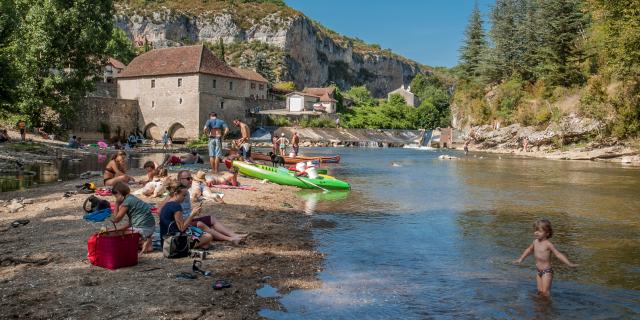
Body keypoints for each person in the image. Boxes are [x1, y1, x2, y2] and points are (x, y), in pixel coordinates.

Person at [158, 170, 246, 245]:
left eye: (191, 178)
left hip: (186, 221)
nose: (190, 181)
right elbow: (161, 211)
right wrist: (169, 220)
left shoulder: (185, 192)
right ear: (179, 180)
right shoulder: (173, 197)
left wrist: (193, 212)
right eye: (188, 179)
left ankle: (233, 235)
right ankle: (230, 239)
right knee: (202, 227)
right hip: (183, 224)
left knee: (211, 219)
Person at [513, 219, 578, 297]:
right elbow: (529, 250)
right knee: (540, 292)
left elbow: (558, 254)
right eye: (535, 230)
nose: (536, 232)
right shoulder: (535, 242)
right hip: (538, 271)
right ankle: (540, 307)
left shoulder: (548, 244)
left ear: (547, 233)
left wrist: (569, 263)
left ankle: (547, 307)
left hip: (547, 271)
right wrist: (521, 259)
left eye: (539, 231)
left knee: (546, 293)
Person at [159, 184, 213, 249]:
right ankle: (185, 248)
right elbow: (182, 228)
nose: (185, 198)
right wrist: (192, 214)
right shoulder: (176, 206)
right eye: (183, 195)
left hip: (165, 242)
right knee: (209, 236)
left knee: (206, 245)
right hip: (174, 242)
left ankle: (194, 246)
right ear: (176, 194)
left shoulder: (167, 204)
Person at [111, 182, 156, 254]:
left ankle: (143, 241)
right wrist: (115, 229)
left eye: (116, 196)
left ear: (120, 193)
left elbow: (116, 219)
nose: (116, 199)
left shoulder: (127, 202)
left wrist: (116, 204)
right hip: (150, 227)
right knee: (122, 231)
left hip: (142, 228)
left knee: (119, 239)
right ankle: (147, 242)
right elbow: (131, 222)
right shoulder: (132, 198)